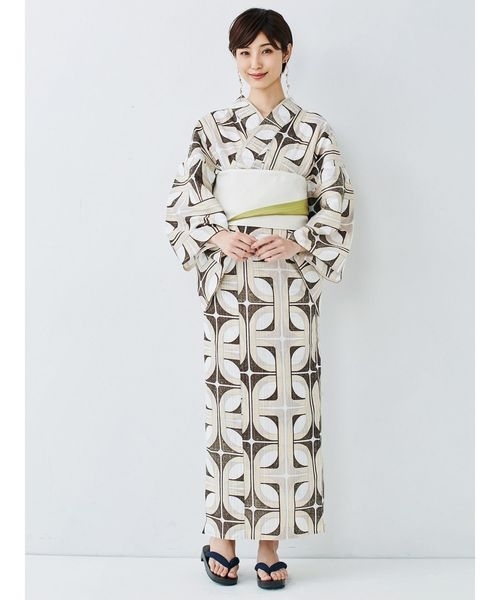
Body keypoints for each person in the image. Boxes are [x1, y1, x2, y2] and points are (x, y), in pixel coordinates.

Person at [165, 7, 355, 590]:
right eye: (245, 52)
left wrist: (298, 240)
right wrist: (217, 234)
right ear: (234, 58)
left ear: (286, 53)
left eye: (267, 50)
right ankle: (221, 537)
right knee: (230, 410)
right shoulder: (213, 127)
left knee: (285, 412)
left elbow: (337, 204)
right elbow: (183, 200)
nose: (255, 63)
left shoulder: (313, 130)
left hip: (289, 289)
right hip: (232, 287)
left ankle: (270, 544)